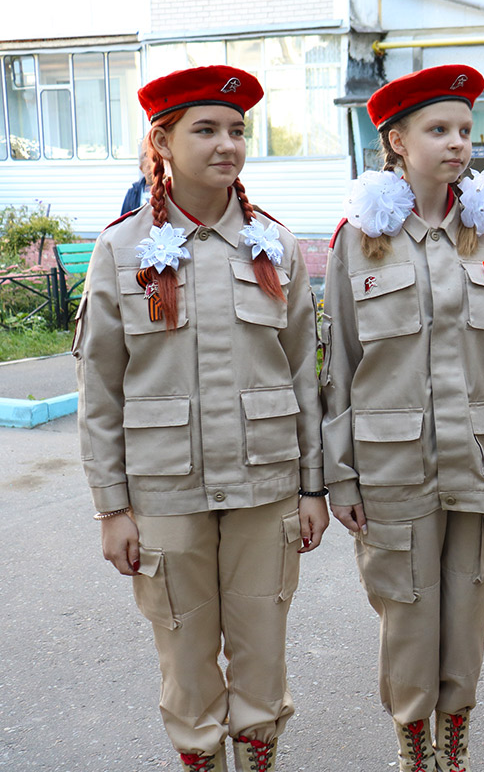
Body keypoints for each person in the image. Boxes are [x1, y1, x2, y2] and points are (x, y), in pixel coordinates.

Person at [74, 65, 329, 772]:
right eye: (207, 129)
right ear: (163, 139)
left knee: (262, 659)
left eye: (239, 130)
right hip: (166, 495)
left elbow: (304, 375)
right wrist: (111, 509)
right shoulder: (122, 249)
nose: (229, 144)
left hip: (265, 491)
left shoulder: (274, 245)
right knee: (186, 666)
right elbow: (100, 387)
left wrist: (313, 488)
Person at [321, 64, 484, 772]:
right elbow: (337, 362)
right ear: (397, 141)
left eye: (465, 130)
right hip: (391, 464)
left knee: (466, 612)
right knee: (408, 616)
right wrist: (339, 478)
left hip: (477, 457)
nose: (458, 143)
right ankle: (415, 751)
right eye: (439, 130)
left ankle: (454, 748)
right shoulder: (360, 237)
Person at [120, 143, 154, 215]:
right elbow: (123, 221)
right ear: (141, 169)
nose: (152, 171)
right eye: (148, 167)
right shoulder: (133, 193)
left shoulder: (168, 191)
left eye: (154, 167)